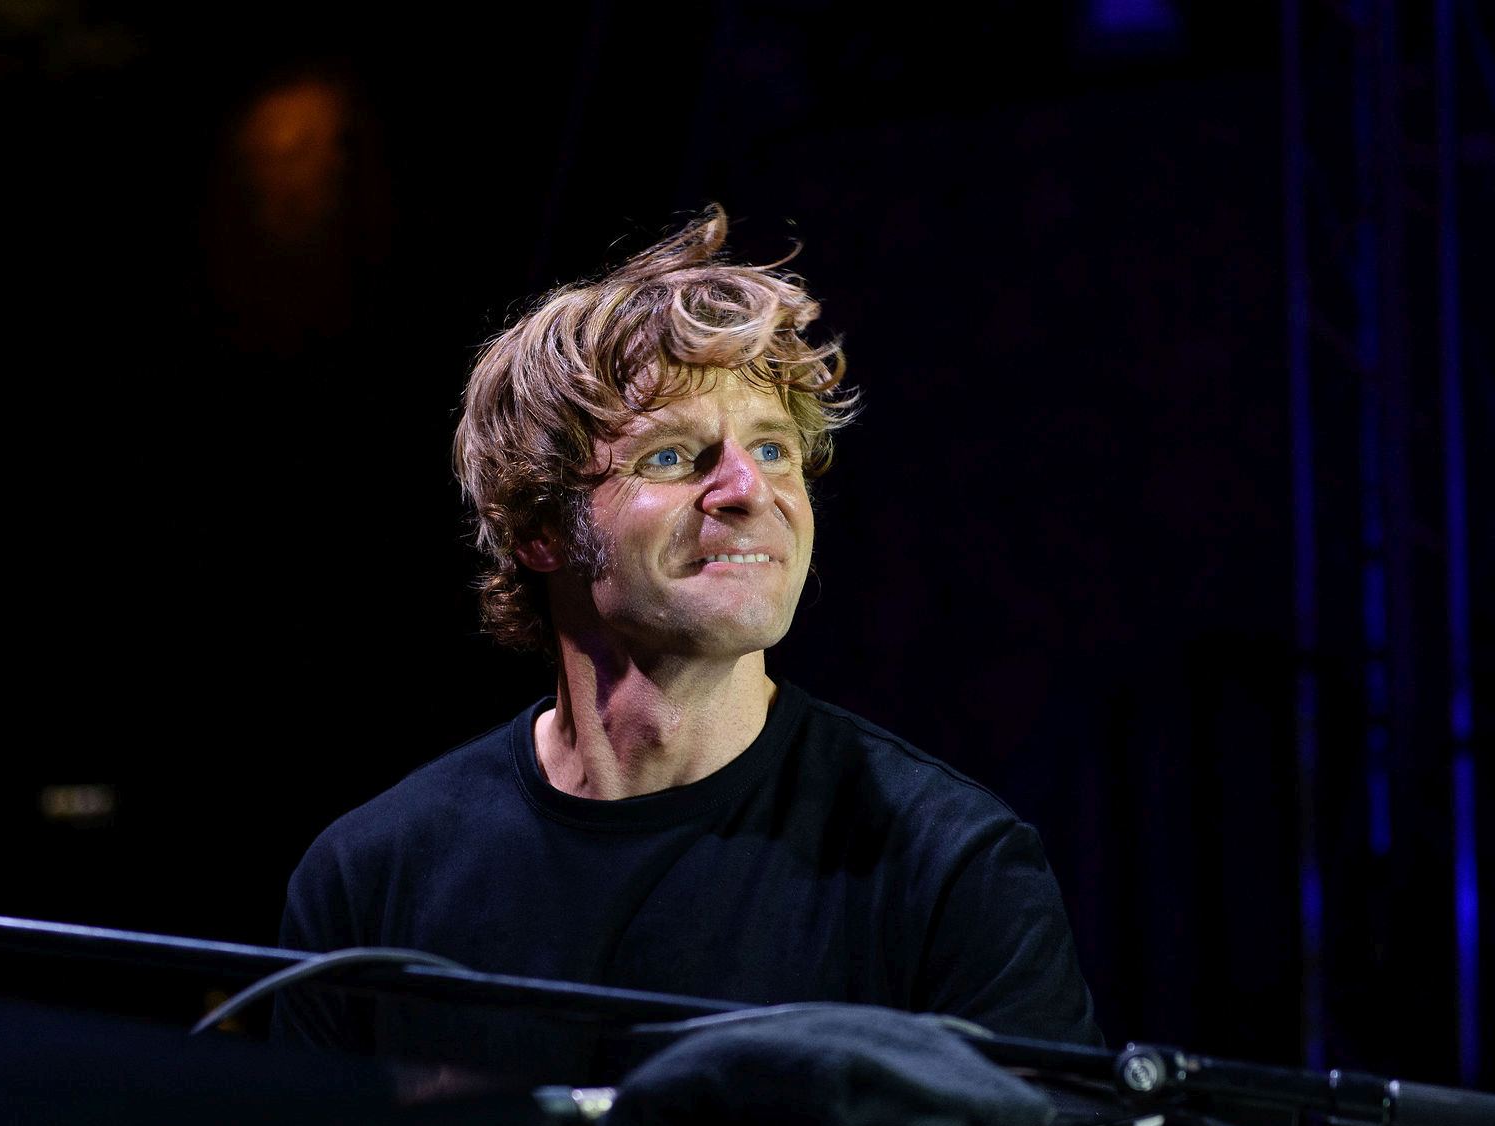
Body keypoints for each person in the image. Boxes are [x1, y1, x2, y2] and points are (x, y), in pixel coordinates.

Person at [273, 208, 1100, 1082]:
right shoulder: (371, 877)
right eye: (672, 457)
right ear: (538, 526)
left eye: (775, 448)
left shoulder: (952, 866)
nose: (749, 489)